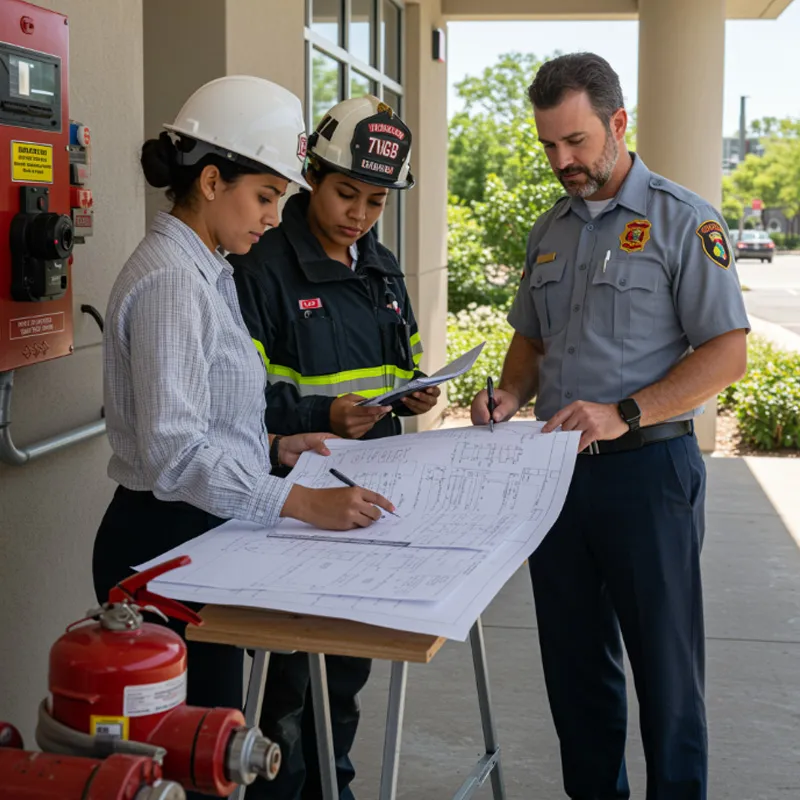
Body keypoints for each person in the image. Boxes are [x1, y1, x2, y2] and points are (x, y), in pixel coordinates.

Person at [93, 76, 396, 800]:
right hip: (160, 548)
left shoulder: (207, 269)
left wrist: (274, 448)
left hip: (191, 536)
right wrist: (299, 504)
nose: (272, 216)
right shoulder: (173, 280)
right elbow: (174, 455)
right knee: (188, 767)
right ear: (208, 179)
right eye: (264, 195)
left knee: (211, 752)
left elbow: (205, 420)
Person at [470, 53, 750, 800]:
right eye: (549, 146)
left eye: (577, 142)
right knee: (576, 670)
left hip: (648, 477)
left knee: (665, 671)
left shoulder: (683, 219)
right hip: (555, 479)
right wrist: (506, 394)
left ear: (618, 123)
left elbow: (727, 353)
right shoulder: (549, 231)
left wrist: (625, 413)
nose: (563, 161)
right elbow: (530, 341)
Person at [229, 95, 439, 800]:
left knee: (346, 671)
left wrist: (417, 392)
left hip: (369, 501)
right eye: (346, 193)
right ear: (311, 176)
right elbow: (236, 401)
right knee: (287, 682)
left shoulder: (379, 268)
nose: (358, 215)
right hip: (291, 503)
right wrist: (324, 412)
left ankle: (334, 785)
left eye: (375, 202)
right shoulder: (261, 268)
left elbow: (405, 359)